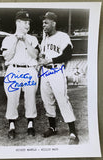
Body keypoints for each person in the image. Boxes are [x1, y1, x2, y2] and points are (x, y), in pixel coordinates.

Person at [38, 12, 79, 145]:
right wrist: (41, 59)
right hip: (45, 72)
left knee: (62, 100)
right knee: (47, 101)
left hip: (56, 71)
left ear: (53, 23)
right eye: (43, 22)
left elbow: (68, 54)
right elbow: (43, 55)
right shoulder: (45, 38)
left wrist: (50, 60)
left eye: (46, 22)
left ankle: (73, 132)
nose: (43, 24)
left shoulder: (62, 36)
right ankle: (52, 127)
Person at [1, 10, 39, 139]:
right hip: (14, 70)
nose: (28, 25)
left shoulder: (33, 38)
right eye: (25, 22)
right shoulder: (8, 39)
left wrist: (25, 41)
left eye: (29, 22)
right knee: (12, 98)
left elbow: (35, 55)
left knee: (30, 98)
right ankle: (12, 126)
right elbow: (7, 57)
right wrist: (16, 41)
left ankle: (30, 124)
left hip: (29, 70)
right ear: (18, 22)